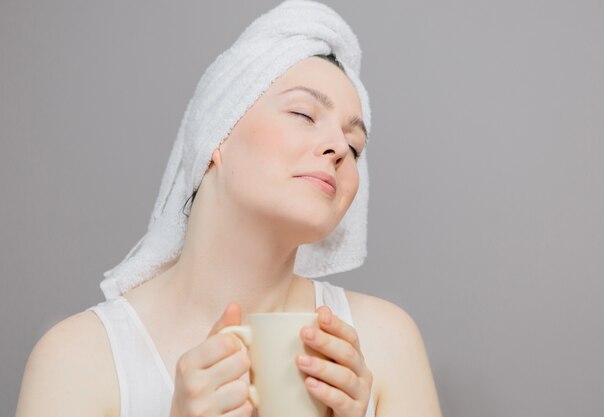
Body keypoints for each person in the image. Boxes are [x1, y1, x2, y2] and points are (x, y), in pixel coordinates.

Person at [15, 2, 442, 417]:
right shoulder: (80, 360)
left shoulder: (384, 343)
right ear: (217, 133)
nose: (338, 150)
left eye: (354, 146)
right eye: (303, 113)